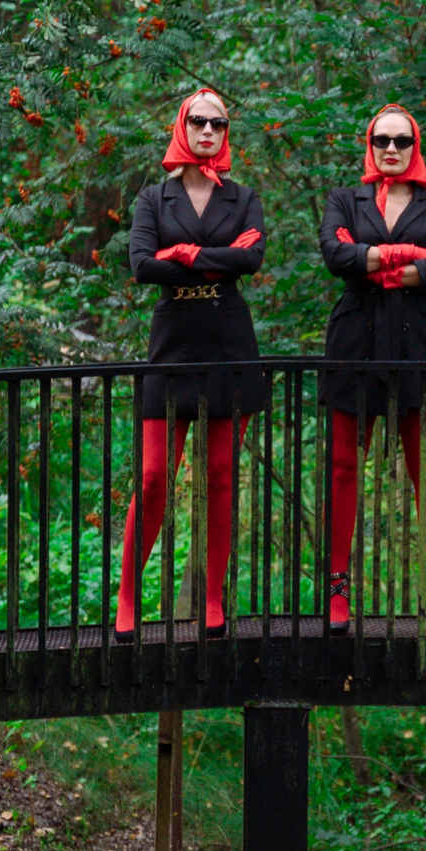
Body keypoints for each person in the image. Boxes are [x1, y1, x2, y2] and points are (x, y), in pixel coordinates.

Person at [114, 86, 270, 637]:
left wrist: (181, 255)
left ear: (227, 134)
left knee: (222, 475)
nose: (209, 132)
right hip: (172, 342)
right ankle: (128, 597)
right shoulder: (154, 198)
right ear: (183, 127)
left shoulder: (243, 197)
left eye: (219, 124)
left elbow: (251, 258)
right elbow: (140, 265)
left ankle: (212, 600)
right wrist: (212, 264)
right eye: (199, 122)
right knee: (155, 476)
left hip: (230, 340)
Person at [320, 104, 426, 631]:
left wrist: (372, 260)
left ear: (415, 145)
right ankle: (336, 590)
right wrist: (408, 259)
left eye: (402, 140)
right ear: (370, 143)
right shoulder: (344, 198)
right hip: (354, 343)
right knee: (342, 468)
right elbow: (335, 255)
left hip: (420, 344)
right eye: (382, 139)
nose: (392, 148)